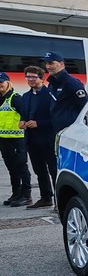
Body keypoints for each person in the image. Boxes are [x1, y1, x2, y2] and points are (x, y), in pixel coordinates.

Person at [19, 66, 56, 208]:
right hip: (32, 140)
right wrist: (22, 121)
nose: (30, 79)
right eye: (28, 77)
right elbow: (24, 113)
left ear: (42, 78)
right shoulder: (25, 96)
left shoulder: (50, 95)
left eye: (34, 77)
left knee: (54, 170)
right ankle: (46, 198)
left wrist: (39, 123)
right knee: (39, 171)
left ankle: (59, 201)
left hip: (48, 138)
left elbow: (56, 118)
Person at [0, 72, 33, 207]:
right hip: (4, 139)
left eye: (1, 82)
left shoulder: (15, 98)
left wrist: (23, 122)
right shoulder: (1, 99)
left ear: (8, 83)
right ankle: (16, 193)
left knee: (21, 166)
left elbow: (25, 114)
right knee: (11, 168)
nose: (0, 85)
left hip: (17, 139)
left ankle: (26, 195)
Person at [40, 51, 88, 133]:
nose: (47, 67)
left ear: (61, 64)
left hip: (69, 130)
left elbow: (84, 105)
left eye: (51, 63)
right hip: (57, 129)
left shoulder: (71, 82)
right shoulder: (52, 83)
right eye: (46, 63)